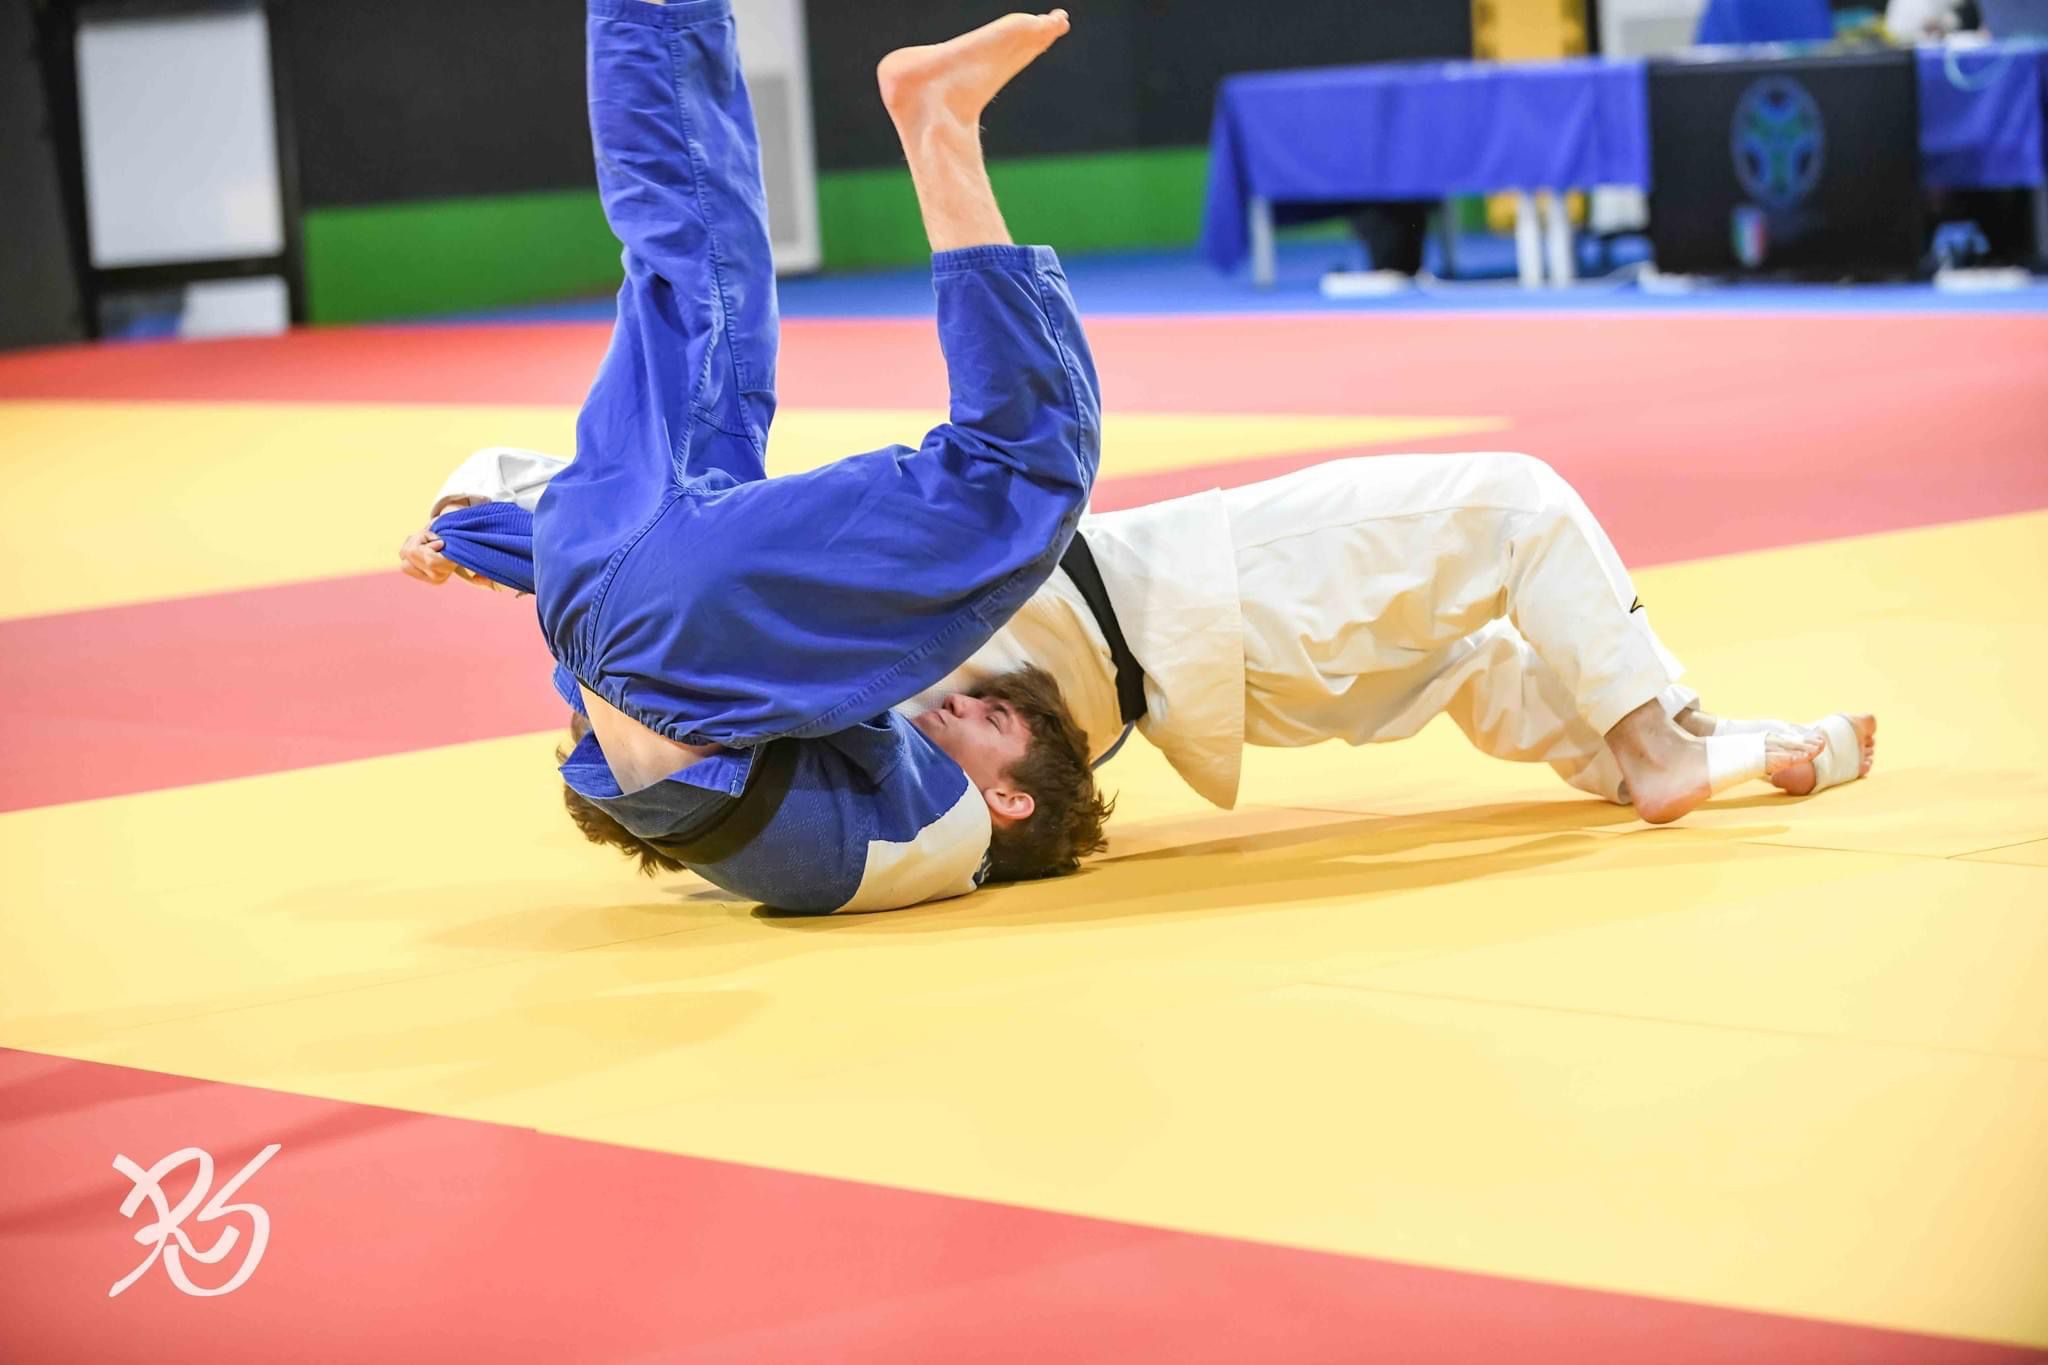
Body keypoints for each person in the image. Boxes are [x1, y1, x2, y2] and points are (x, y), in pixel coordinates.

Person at [404, 2, 1111, 914]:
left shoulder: (954, 841)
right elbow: (667, 643)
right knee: (698, 272)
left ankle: (939, 120)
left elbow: (778, 636)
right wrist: (488, 542)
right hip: (604, 583)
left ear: (1010, 799)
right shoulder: (839, 830)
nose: (967, 702)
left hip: (660, 619)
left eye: (996, 720)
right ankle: (655, 19)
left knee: (1027, 475)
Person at [420, 451, 1875, 826]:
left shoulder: (854, 704)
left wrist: (489, 546)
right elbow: (636, 567)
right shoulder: (888, 663)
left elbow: (617, 585)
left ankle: (1716, 746)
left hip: (1220, 699)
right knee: (1518, 506)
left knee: (1480, 665)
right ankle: (1660, 741)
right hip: (1204, 589)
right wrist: (486, 540)